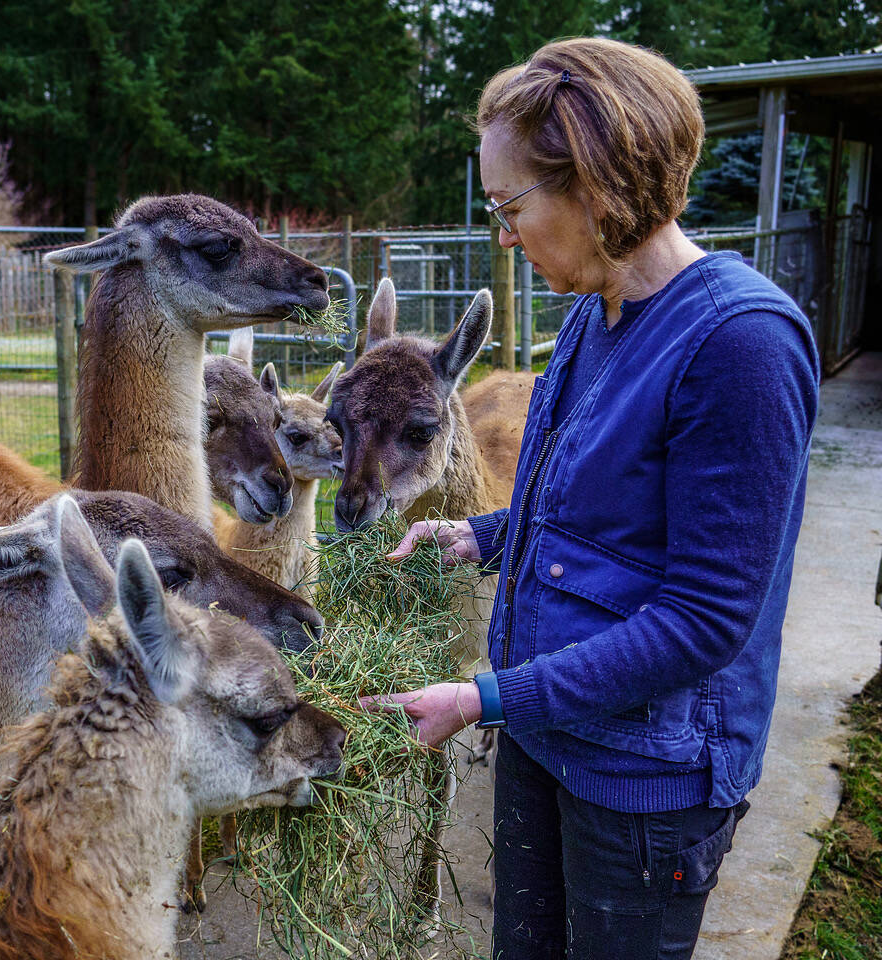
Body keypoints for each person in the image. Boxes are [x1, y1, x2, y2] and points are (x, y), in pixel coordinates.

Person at [362, 37, 820, 960]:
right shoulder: (593, 313)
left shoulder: (741, 346)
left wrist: (483, 698)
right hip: (548, 732)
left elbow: (702, 618)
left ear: (598, 182)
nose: (503, 235)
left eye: (510, 206)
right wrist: (480, 538)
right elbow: (589, 515)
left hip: (646, 779)